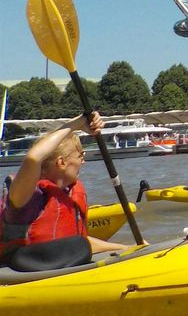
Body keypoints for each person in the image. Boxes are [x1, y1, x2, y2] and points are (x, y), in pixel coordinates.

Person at [0, 112, 131, 271]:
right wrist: (78, 122)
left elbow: (77, 242)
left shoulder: (68, 192)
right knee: (79, 245)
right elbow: (33, 158)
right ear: (61, 162)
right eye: (80, 155)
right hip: (21, 267)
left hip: (59, 261)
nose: (83, 161)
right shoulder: (27, 193)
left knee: (79, 244)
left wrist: (124, 248)